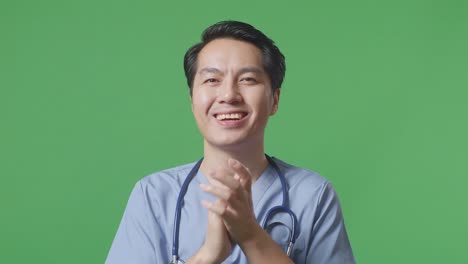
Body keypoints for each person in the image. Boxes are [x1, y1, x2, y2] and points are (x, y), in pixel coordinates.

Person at [106, 20, 355, 264]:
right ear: (193, 99)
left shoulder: (313, 195)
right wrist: (208, 256)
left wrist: (250, 234)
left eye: (248, 79)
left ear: (274, 100)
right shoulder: (154, 195)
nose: (228, 95)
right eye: (212, 80)